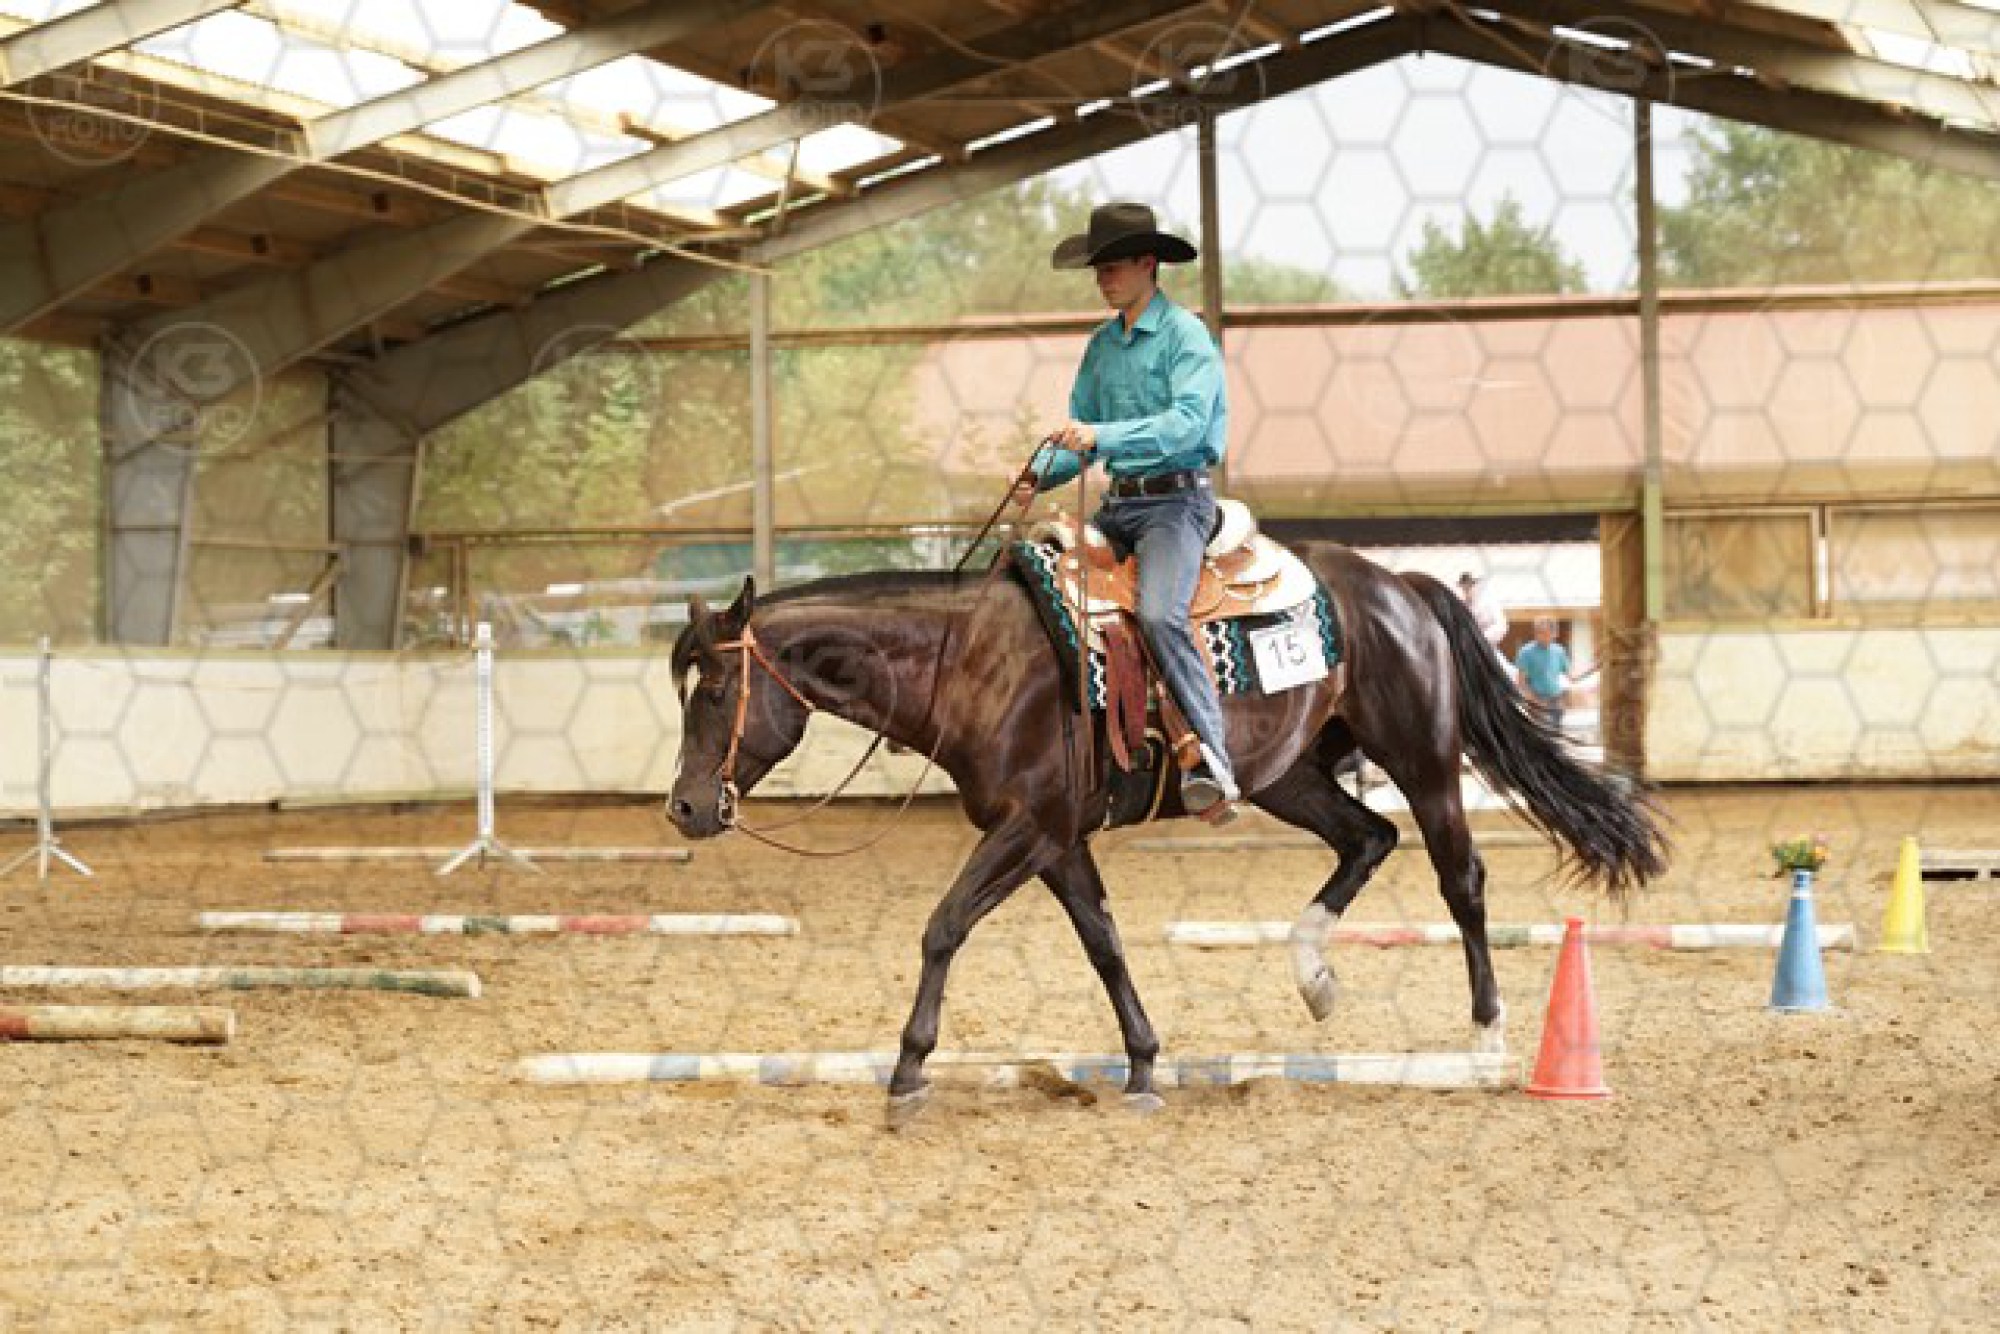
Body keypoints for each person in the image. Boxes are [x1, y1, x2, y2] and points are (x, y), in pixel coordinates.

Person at [1013, 201, 1237, 822]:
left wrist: (1101, 437)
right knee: (1033, 587)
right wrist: (1038, 473)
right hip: (1119, 506)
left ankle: (1213, 762)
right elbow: (1079, 438)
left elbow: (1186, 425)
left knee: (1161, 614)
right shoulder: (1101, 347)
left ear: (1147, 263)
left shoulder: (1187, 338)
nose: (1102, 279)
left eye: (1112, 267)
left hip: (1177, 506)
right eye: (1098, 269)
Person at [1514, 616, 1572, 729]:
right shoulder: (1526, 652)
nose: (1541, 636)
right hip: (1537, 699)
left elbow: (1571, 677)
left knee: (1556, 731)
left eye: (1546, 633)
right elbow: (1521, 682)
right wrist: (1534, 700)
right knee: (1540, 732)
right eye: (1539, 632)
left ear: (1554, 633)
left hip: (1556, 699)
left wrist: (1594, 668)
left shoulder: (1559, 651)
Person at [1458, 572, 1508, 652]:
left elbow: (1501, 626)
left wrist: (1480, 638)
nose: (1467, 589)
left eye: (1470, 585)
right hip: (1464, 649)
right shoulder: (1458, 604)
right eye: (1464, 585)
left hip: (1487, 648)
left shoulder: (1490, 602)